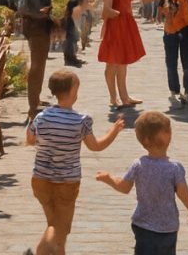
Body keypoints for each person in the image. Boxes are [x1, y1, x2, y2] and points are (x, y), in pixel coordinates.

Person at [27, 69, 123, 255]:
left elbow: (30, 139)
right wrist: (114, 131)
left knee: (54, 224)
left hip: (40, 180)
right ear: (72, 92)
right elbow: (95, 146)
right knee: (59, 227)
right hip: (66, 182)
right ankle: (42, 251)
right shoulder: (81, 120)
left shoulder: (42, 117)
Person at [95, 111, 188, 254]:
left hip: (142, 225)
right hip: (167, 228)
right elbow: (183, 192)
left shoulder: (138, 165)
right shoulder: (175, 168)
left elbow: (124, 187)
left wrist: (109, 178)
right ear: (168, 136)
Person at [98, 0, 162, 110]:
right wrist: (119, 14)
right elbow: (106, 9)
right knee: (112, 63)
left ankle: (124, 96)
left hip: (125, 24)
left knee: (122, 63)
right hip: (116, 25)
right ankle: (114, 98)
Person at [20, 0, 66, 118]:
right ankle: (33, 107)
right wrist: (46, 14)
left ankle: (36, 100)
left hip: (42, 23)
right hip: (35, 24)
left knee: (41, 64)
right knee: (37, 66)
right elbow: (28, 5)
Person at [61, 0, 91, 67]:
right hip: (72, 16)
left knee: (73, 37)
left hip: (75, 16)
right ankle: (69, 59)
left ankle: (72, 57)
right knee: (71, 37)